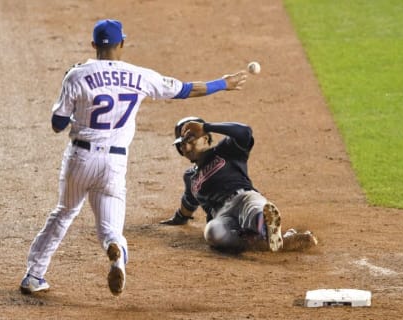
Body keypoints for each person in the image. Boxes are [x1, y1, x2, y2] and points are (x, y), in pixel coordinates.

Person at [19, 19, 248, 296]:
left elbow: (57, 124)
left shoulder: (77, 75)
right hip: (113, 164)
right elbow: (186, 89)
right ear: (122, 44)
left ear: (94, 45)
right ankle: (115, 251)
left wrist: (72, 94)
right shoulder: (140, 75)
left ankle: (34, 276)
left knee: (63, 214)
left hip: (80, 158)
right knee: (111, 228)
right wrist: (223, 83)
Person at [160, 117, 318, 253]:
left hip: (244, 198)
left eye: (189, 140)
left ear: (206, 138)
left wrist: (207, 126)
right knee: (212, 233)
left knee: (257, 211)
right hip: (222, 215)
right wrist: (179, 218)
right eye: (181, 144)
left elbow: (245, 131)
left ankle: (264, 227)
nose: (185, 147)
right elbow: (187, 203)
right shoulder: (190, 177)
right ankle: (279, 240)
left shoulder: (226, 150)